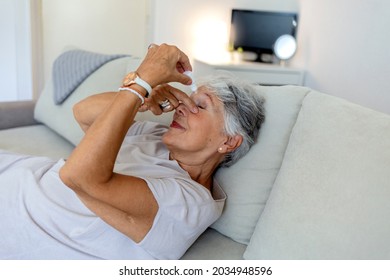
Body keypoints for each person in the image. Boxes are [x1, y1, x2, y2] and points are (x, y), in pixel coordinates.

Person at [0, 43, 265, 259]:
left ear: (229, 142)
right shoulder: (156, 137)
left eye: (200, 106)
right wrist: (144, 98)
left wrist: (142, 81)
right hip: (15, 171)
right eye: (188, 100)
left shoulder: (190, 202)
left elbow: (77, 176)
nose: (183, 106)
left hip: (12, 219)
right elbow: (83, 113)